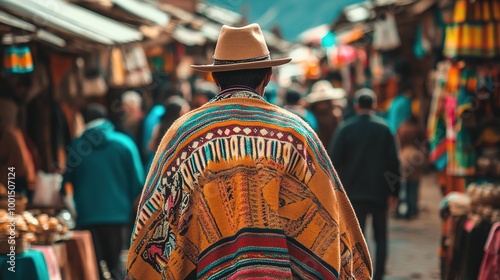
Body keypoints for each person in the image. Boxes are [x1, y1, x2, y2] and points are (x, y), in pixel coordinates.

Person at [127, 23, 372, 279]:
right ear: (267, 76)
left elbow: (159, 221)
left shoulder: (183, 135)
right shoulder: (295, 134)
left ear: (214, 77)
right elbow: (332, 217)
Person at [63, 103, 144, 279]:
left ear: (85, 121)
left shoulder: (76, 146)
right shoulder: (125, 143)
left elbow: (65, 184)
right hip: (117, 217)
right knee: (116, 268)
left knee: (92, 271)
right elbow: (138, 183)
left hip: (87, 218)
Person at [328, 88, 400, 280]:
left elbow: (333, 161)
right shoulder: (385, 128)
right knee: (381, 236)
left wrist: (335, 192)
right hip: (379, 192)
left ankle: (359, 274)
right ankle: (380, 275)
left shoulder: (345, 128)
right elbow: (394, 163)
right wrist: (395, 191)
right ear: (374, 106)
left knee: (355, 238)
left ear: (356, 106)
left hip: (352, 194)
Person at [397, 114, 427, 219]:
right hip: (415, 155)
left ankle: (400, 208)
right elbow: (424, 141)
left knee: (402, 184)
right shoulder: (417, 128)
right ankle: (412, 209)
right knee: (414, 183)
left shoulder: (402, 127)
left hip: (403, 154)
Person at [306, 80, 346, 148]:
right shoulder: (310, 116)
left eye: (325, 102)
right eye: (320, 102)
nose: (323, 105)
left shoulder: (335, 114)